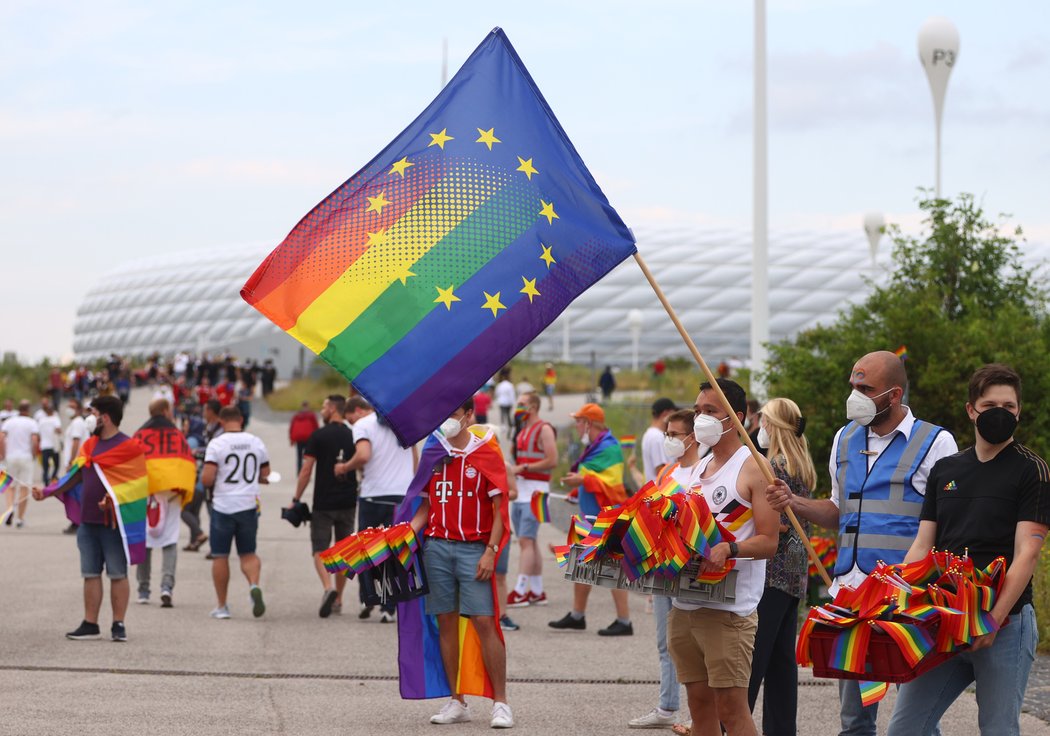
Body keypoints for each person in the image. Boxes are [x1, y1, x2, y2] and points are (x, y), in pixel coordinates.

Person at [767, 350, 958, 736]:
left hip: (907, 596)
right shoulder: (845, 437)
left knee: (916, 719)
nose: (855, 394)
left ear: (894, 394)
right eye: (853, 385)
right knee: (854, 720)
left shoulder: (936, 442)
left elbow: (948, 522)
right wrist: (794, 502)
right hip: (851, 595)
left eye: (865, 388)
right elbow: (839, 510)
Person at [887, 364, 1049, 736]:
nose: (1000, 413)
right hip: (944, 619)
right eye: (990, 403)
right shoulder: (945, 470)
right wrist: (899, 599)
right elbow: (922, 546)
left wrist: (992, 619)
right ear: (970, 410)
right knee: (905, 728)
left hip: (1005, 624)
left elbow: (1027, 554)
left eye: (1008, 406)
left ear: (1019, 411)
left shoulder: (1032, 471)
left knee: (998, 730)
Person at [667, 380, 779, 736]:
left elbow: (769, 541)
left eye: (710, 412)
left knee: (731, 709)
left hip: (728, 611)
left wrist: (730, 549)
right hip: (684, 605)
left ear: (738, 418)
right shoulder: (698, 468)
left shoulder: (754, 467)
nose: (701, 419)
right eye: (698, 411)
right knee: (699, 707)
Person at [406, 398, 514, 728]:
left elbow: (499, 510)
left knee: (484, 622)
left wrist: (491, 550)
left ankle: (501, 702)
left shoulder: (486, 452)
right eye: (443, 416)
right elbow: (423, 508)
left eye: (452, 415)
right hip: (437, 547)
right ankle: (457, 700)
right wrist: (405, 538)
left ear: (469, 415)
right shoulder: (434, 451)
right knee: (445, 623)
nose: (447, 422)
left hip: (474, 549)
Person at [33, 395, 147, 642]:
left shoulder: (130, 448)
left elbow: (137, 487)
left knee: (118, 573)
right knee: (90, 573)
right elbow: (75, 475)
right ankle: (90, 623)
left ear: (104, 417)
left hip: (114, 524)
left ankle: (118, 624)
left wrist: (114, 500)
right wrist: (47, 491)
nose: (88, 417)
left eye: (92, 412)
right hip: (88, 522)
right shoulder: (89, 446)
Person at [747, 398, 816, 736]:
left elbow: (774, 521)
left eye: (763, 421)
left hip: (771, 574)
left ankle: (734, 724)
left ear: (773, 425)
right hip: (795, 573)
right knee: (781, 666)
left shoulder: (772, 466)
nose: (759, 427)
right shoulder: (802, 463)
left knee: (752, 663)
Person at [629, 408, 698, 730]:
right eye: (667, 433)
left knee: (694, 645)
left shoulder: (703, 471)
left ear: (693, 436)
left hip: (691, 572)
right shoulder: (667, 472)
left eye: (675, 434)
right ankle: (667, 705)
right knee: (665, 641)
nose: (669, 439)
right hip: (662, 572)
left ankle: (699, 711)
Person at [549, 402, 633, 636]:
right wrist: (576, 491)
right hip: (590, 515)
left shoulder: (610, 447)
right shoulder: (596, 446)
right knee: (581, 565)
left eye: (578, 421)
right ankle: (577, 615)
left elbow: (611, 484)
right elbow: (592, 477)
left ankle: (624, 621)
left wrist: (582, 482)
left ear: (588, 423)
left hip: (607, 517)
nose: (575, 425)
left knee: (612, 568)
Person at [335, 397, 416, 622]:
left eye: (350, 419)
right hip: (401, 496)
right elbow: (414, 456)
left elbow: (363, 455)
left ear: (359, 410)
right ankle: (389, 608)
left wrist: (344, 467)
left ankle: (370, 596)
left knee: (368, 551)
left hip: (374, 495)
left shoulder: (363, 425)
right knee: (395, 552)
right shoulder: (402, 421)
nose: (351, 423)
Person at [290, 395, 357, 618]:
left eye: (324, 405)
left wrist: (296, 498)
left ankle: (328, 587)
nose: (321, 409)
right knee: (344, 549)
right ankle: (338, 598)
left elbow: (306, 470)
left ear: (332, 409)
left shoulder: (318, 435)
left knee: (320, 548)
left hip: (323, 502)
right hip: (348, 500)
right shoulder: (353, 434)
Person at [201, 405, 270, 620]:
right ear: (241, 419)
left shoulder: (217, 444)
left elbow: (207, 478)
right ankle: (253, 586)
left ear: (221, 422)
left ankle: (222, 606)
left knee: (220, 556)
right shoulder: (255, 442)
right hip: (248, 505)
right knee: (248, 553)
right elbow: (265, 473)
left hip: (223, 506)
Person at [133, 398, 196, 608]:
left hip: (145, 492)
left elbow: (131, 462)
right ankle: (166, 587)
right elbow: (187, 463)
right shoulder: (177, 435)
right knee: (169, 539)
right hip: (171, 493)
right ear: (166, 411)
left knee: (145, 540)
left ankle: (143, 590)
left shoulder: (140, 435)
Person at [506, 392, 557, 608]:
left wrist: (524, 468)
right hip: (522, 491)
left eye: (522, 404)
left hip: (537, 491)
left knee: (526, 541)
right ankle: (536, 591)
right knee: (530, 540)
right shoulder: (521, 431)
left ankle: (520, 590)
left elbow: (552, 460)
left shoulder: (544, 428)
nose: (518, 407)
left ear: (533, 407)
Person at [182, 398, 221, 552]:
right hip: (204, 477)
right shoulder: (209, 429)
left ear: (211, 411)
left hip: (208, 479)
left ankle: (212, 544)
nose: (204, 413)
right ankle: (196, 540)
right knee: (196, 511)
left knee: (209, 513)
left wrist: (197, 452)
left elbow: (214, 451)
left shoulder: (217, 431)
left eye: (205, 410)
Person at [1, 400, 40, 528]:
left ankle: (10, 508)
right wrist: (34, 453)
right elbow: (34, 440)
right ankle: (20, 518)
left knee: (10, 486)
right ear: (28, 410)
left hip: (10, 457)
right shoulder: (32, 423)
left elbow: (1, 437)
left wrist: (2, 453)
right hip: (26, 457)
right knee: (24, 487)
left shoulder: (9, 422)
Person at [61, 397, 90, 534]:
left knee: (76, 493)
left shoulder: (78, 423)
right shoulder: (75, 423)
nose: (69, 409)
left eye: (72, 406)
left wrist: (71, 462)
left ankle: (78, 522)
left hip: (77, 464)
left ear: (78, 409)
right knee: (74, 492)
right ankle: (76, 521)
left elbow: (76, 442)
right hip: (77, 464)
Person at [640, 397, 677, 484]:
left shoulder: (649, 434)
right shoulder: (657, 437)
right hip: (662, 490)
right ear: (666, 414)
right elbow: (661, 470)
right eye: (673, 415)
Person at [37, 400, 63, 487]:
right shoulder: (55, 419)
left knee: (45, 465)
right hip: (54, 446)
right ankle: (53, 477)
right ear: (53, 411)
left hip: (44, 446)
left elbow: (38, 434)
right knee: (56, 464)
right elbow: (59, 430)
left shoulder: (41, 420)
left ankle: (45, 480)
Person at [289, 401, 320, 474]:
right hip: (309, 438)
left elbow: (292, 427)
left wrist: (292, 439)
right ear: (308, 406)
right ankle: (306, 471)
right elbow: (316, 427)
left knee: (299, 456)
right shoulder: (311, 415)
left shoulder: (297, 415)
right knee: (308, 456)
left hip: (299, 439)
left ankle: (299, 472)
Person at [494, 370, 516, 437]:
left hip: (501, 402)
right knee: (508, 414)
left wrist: (498, 399)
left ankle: (503, 426)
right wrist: (513, 402)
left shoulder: (500, 385)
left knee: (502, 414)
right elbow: (512, 395)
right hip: (508, 402)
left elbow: (497, 393)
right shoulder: (510, 385)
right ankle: (510, 425)